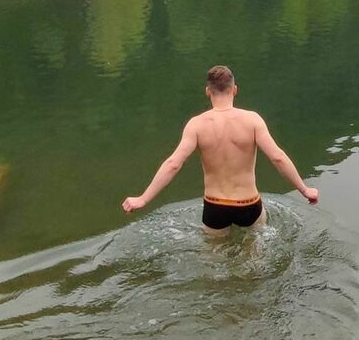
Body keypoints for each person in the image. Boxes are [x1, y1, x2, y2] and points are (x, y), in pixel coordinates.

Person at [122, 65, 319, 231]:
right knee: (253, 264)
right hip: (248, 204)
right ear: (235, 90)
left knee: (215, 266)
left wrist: (143, 199)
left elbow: (173, 164)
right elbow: (278, 157)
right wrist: (305, 190)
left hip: (214, 206)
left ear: (207, 91)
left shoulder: (196, 124)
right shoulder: (252, 120)